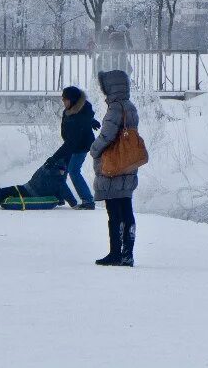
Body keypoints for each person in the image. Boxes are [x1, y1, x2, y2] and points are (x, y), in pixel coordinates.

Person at [90, 69, 140, 267]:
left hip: (113, 166)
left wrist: (94, 149)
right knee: (126, 208)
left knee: (114, 211)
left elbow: (107, 136)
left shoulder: (114, 109)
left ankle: (115, 253)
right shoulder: (130, 107)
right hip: (128, 163)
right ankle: (128, 254)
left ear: (110, 88)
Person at [0, 147, 78, 208]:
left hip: (29, 190)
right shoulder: (58, 170)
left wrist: (67, 201)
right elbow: (62, 187)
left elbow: (62, 187)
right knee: (4, 191)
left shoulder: (50, 165)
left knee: (3, 191)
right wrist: (73, 203)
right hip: (30, 191)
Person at [60, 86, 99, 209]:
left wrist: (90, 121)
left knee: (73, 170)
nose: (63, 102)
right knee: (62, 169)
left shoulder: (82, 110)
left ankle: (88, 201)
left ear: (72, 99)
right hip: (70, 144)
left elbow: (83, 118)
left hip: (80, 145)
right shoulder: (69, 110)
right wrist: (91, 121)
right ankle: (60, 197)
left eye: (65, 99)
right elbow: (85, 118)